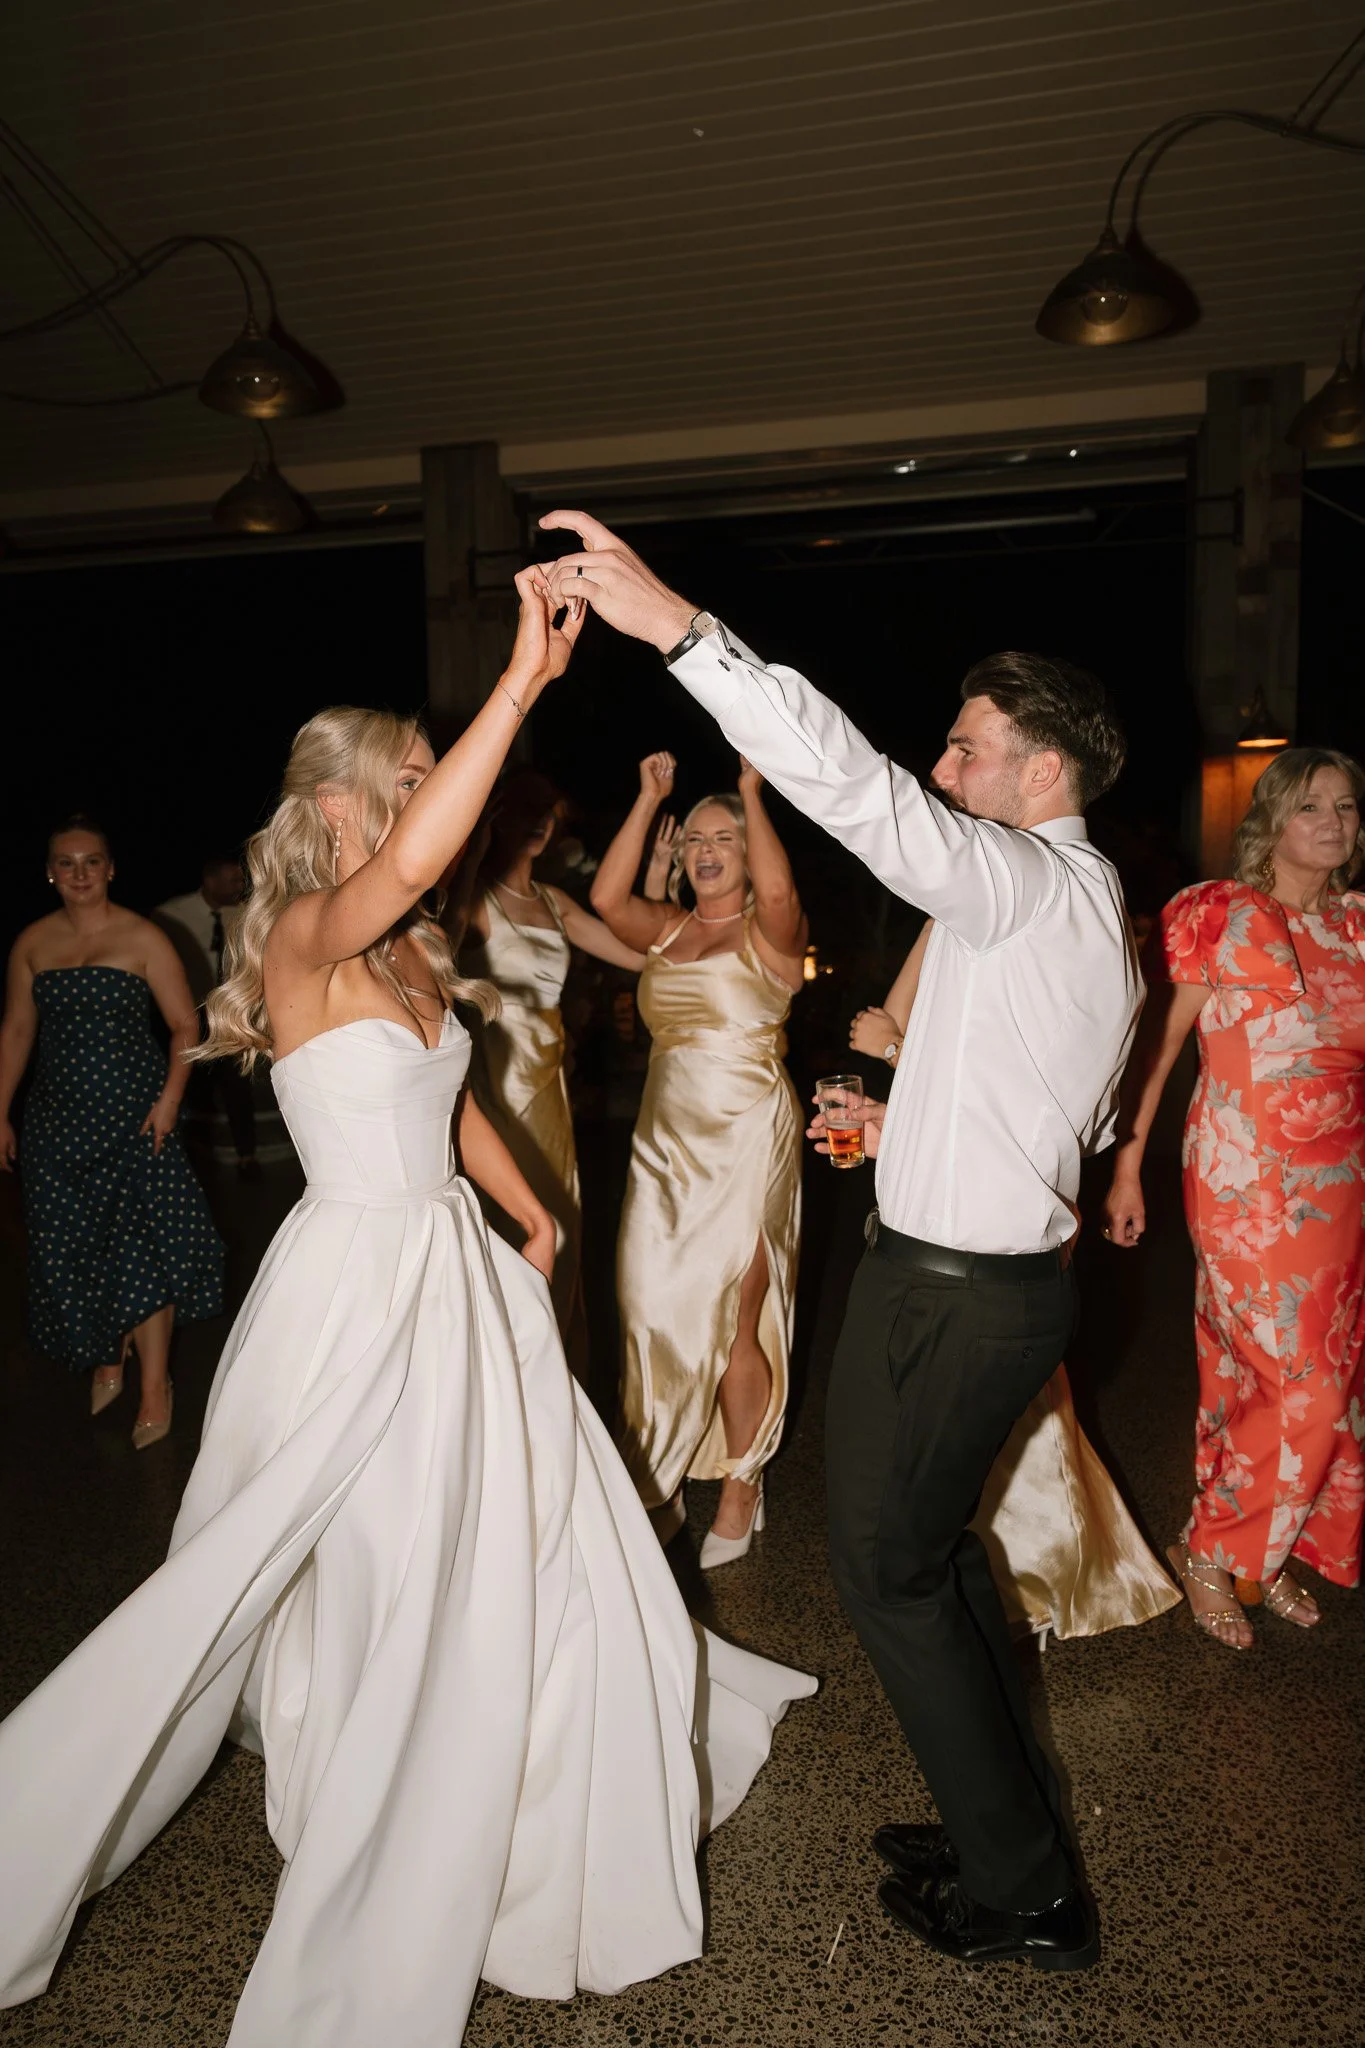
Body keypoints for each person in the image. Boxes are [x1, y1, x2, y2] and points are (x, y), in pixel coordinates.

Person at [0, 573, 814, 2048]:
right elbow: (410, 912)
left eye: (438, 783)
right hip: (355, 1291)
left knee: (525, 1538)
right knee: (369, 1558)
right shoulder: (314, 927)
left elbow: (445, 1106)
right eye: (416, 787)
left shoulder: (405, 952)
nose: (442, 809)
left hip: (459, 1280)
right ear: (340, 808)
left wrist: (530, 1208)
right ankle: (359, 1802)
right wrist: (521, 682)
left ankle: (520, 1780)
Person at [540, 510, 1140, 1972]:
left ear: (1041, 773)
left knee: (887, 1571)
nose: (945, 768)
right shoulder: (1077, 904)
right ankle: (1001, 1817)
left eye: (969, 748)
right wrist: (905, 1133)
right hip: (957, 1273)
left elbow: (857, 790)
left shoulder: (1022, 877)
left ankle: (1027, 1897)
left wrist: (679, 628)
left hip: (960, 1298)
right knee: (925, 1560)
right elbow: (1057, 1099)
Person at [1103, 748, 1365, 1650]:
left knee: (1271, 1372)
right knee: (1307, 1383)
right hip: (1244, 1172)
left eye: (1343, 806)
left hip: (1341, 1183)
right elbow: (1158, 1047)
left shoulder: (1359, 929)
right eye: (1308, 807)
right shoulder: (1224, 915)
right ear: (1269, 824)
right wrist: (1126, 1162)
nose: (1331, 822)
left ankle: (1263, 1550)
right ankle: (1212, 1548)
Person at [850, 927, 1178, 1643]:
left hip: (1006, 1239)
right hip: (949, 1222)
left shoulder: (1050, 932)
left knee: (1010, 1424)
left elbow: (1030, 1099)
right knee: (949, 1447)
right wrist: (892, 1117)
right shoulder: (957, 915)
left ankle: (1043, 1571)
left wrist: (896, 1054)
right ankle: (978, 1571)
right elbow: (889, 1024)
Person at [591, 749, 807, 1567]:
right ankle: (660, 1472)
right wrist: (648, 800)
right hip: (663, 1143)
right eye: (696, 840)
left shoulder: (771, 931)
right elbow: (608, 898)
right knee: (647, 1308)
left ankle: (744, 1484)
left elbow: (783, 891)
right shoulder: (668, 928)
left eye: (726, 837)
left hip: (748, 1133)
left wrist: (754, 791)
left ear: (749, 851)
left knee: (733, 1323)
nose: (706, 849)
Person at [0, 817, 223, 1445]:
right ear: (48, 872)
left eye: (90, 862)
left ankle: (155, 1386)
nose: (78, 873)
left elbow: (186, 1026)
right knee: (71, 1247)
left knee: (143, 1254)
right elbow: (17, 1031)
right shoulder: (32, 943)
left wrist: (171, 1099)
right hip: (56, 1124)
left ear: (110, 868)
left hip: (135, 1116)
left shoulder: (144, 936)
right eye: (65, 863)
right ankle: (106, 1348)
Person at [452, 769, 645, 1362]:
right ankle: (506, 1369)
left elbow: (639, 956)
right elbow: (433, 958)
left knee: (562, 1214)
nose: (540, 820)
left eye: (549, 811)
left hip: (550, 1081)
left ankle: (554, 1366)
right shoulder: (475, 900)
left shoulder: (556, 902)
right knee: (512, 1219)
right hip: (497, 1080)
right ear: (495, 819)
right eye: (524, 808)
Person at [157, 854, 261, 1177]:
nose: (241, 886)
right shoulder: (171, 915)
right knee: (189, 1081)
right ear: (210, 880)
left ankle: (247, 1155)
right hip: (185, 1010)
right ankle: (182, 1154)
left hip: (226, 1011)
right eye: (234, 880)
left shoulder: (246, 913)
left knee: (237, 1081)